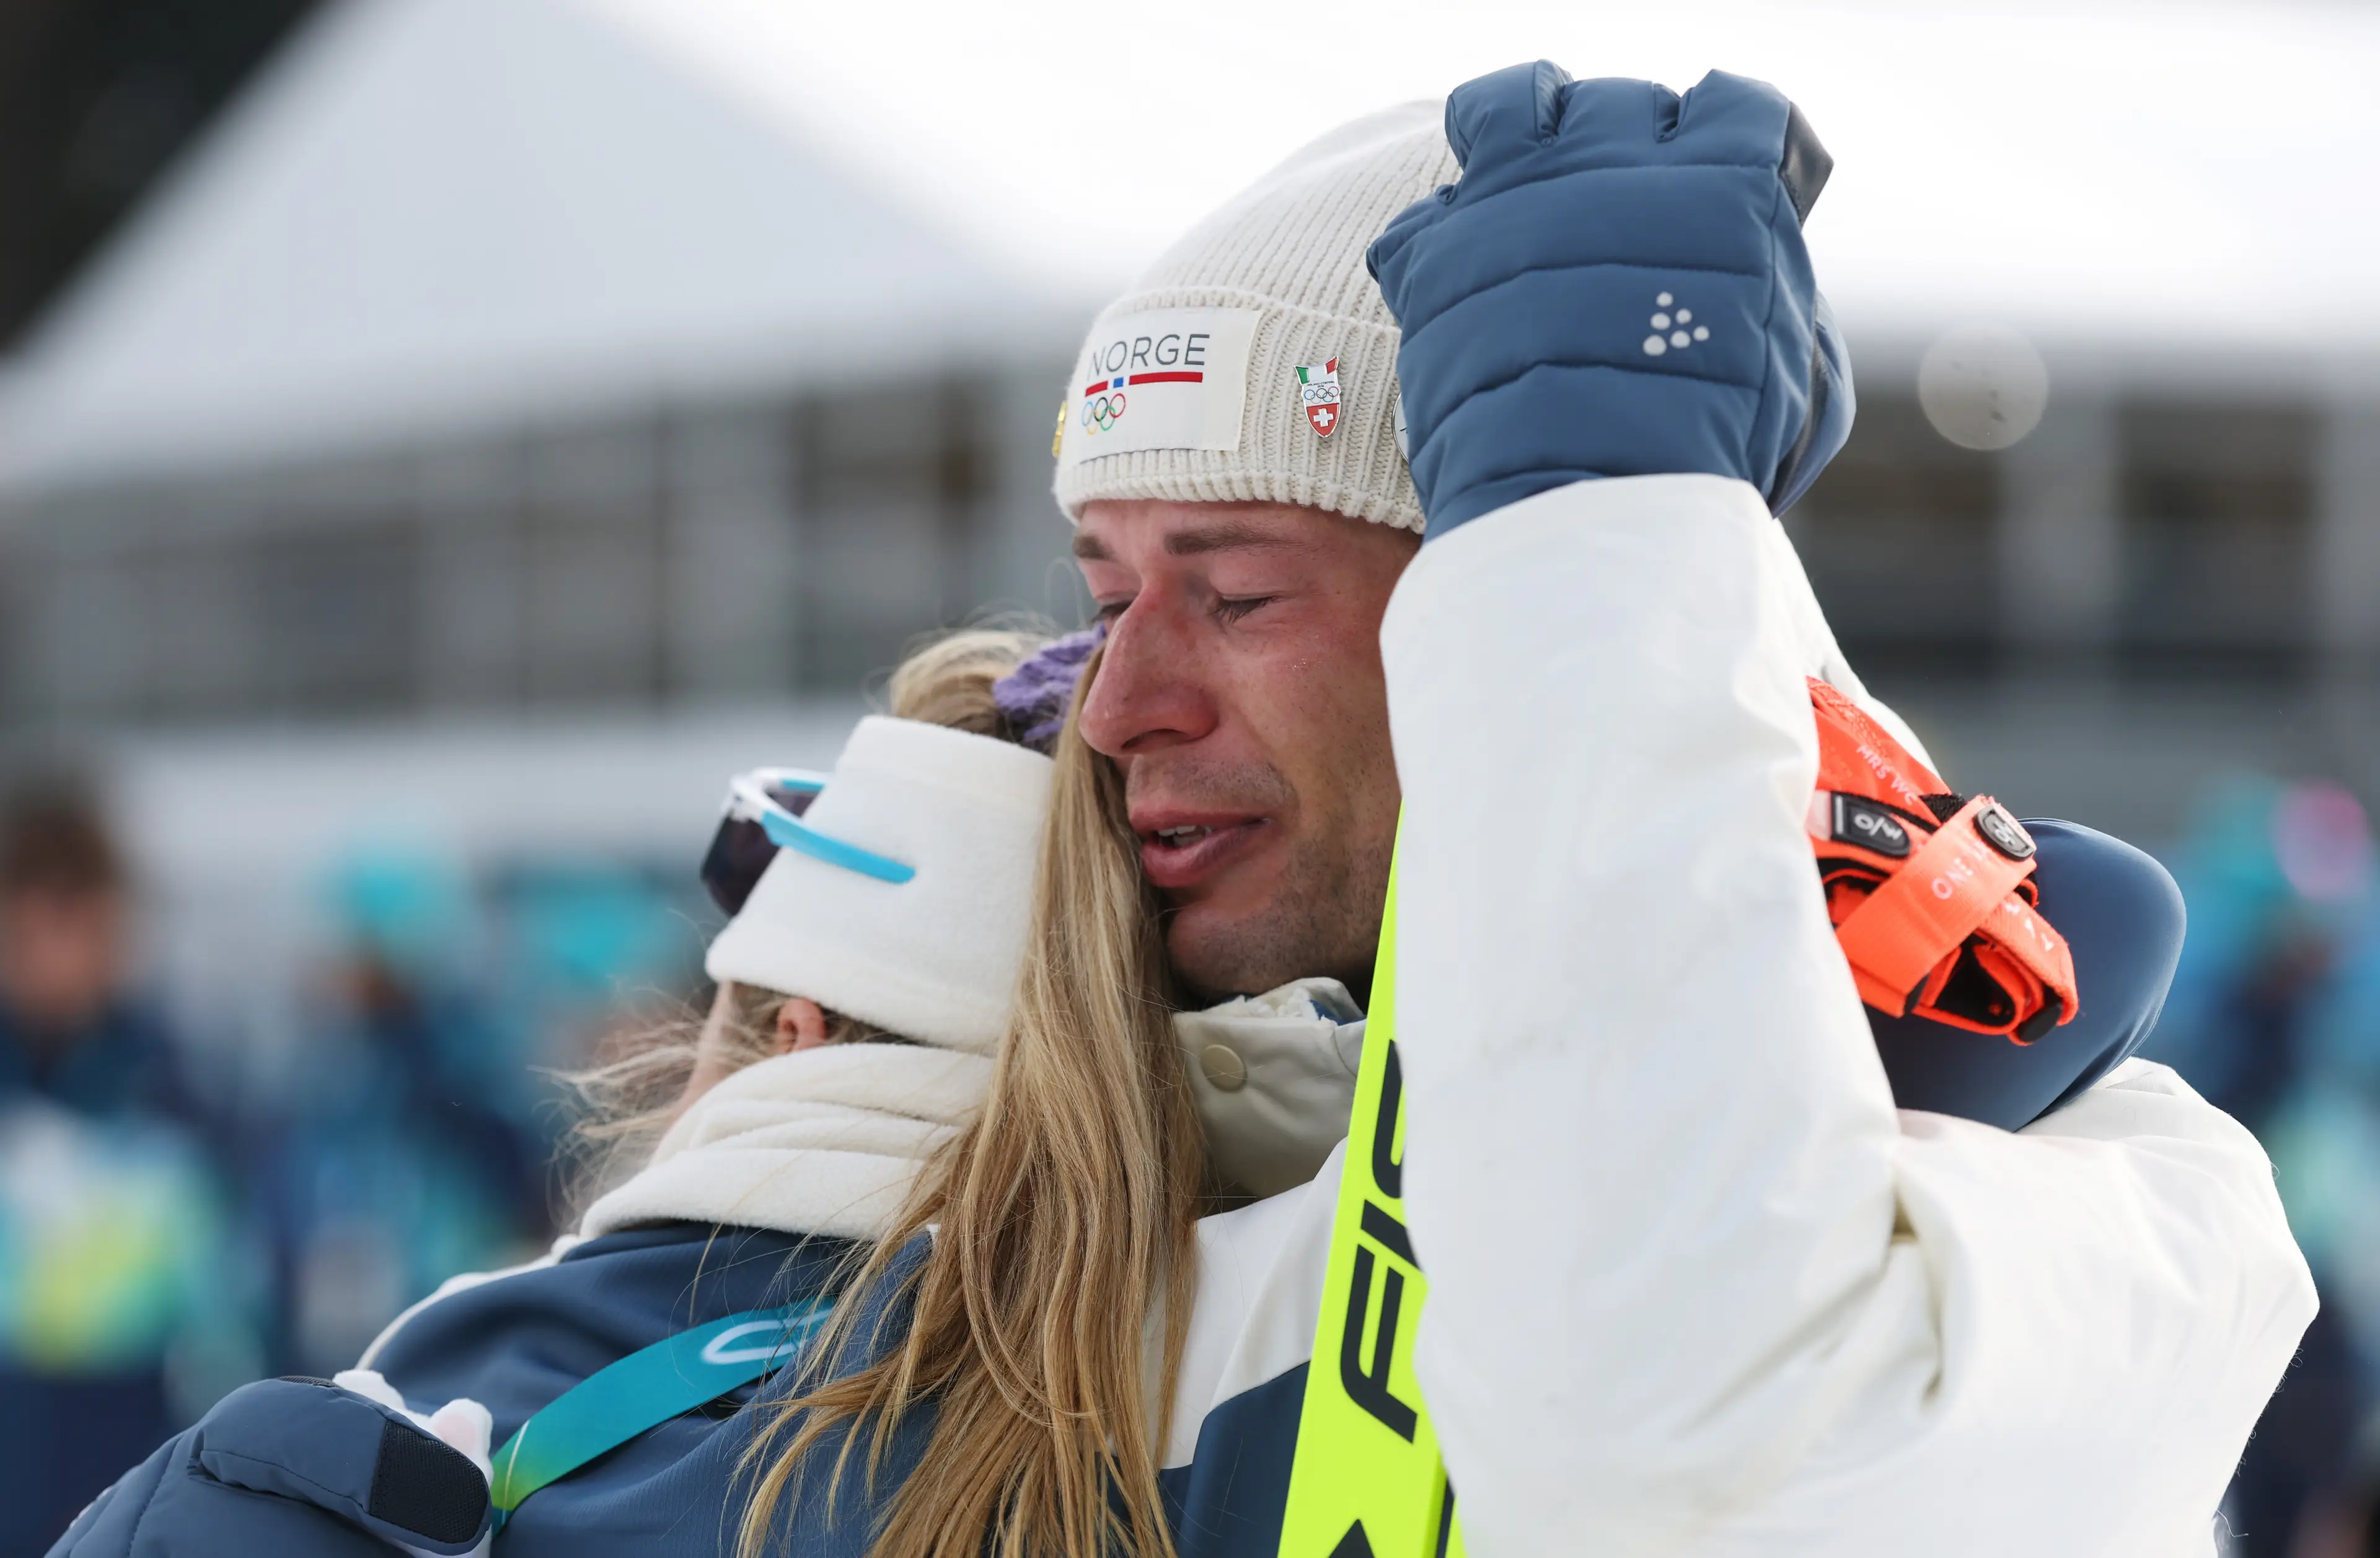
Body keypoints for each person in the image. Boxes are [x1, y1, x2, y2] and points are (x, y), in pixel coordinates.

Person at [0, 779, 237, 1558]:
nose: (65, 960)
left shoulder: (179, 1091)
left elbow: (232, 1293)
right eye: (39, 931)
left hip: (134, 1450)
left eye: (90, 928)